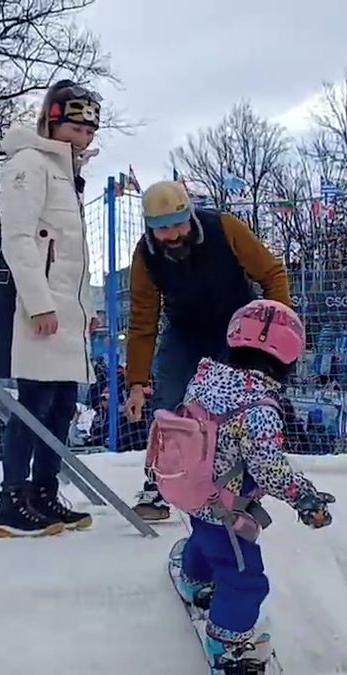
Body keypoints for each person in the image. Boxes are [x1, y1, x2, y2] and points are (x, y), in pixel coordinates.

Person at [162, 300, 334, 671]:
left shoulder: (206, 377)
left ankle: (194, 578)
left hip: (190, 487)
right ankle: (228, 644)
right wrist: (303, 496)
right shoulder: (259, 408)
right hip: (223, 504)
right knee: (245, 578)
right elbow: (268, 466)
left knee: (206, 540)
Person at [125, 180, 292, 521]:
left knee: (236, 405)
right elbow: (142, 318)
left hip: (238, 326)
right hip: (185, 329)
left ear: (190, 216)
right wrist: (137, 381)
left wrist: (275, 325)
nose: (171, 235)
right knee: (170, 401)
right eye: (160, 229)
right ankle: (159, 486)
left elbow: (272, 272)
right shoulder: (146, 255)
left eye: (177, 224)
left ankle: (238, 484)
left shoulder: (224, 228)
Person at [0, 79, 102, 538]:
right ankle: (11, 499)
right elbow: (18, 238)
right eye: (77, 127)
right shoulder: (30, 165)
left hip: (65, 313)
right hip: (39, 312)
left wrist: (85, 307)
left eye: (90, 130)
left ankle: (44, 491)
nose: (85, 137)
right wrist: (37, 303)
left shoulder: (68, 176)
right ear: (54, 121)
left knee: (62, 406)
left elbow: (75, 255)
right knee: (33, 405)